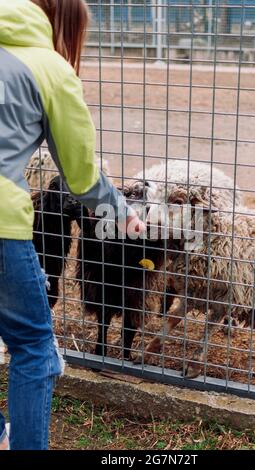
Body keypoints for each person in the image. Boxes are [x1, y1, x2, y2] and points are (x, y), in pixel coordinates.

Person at [0, 0, 145, 450]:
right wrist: (120, 211)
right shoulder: (49, 68)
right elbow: (80, 173)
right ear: (65, 22)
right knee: (34, 347)